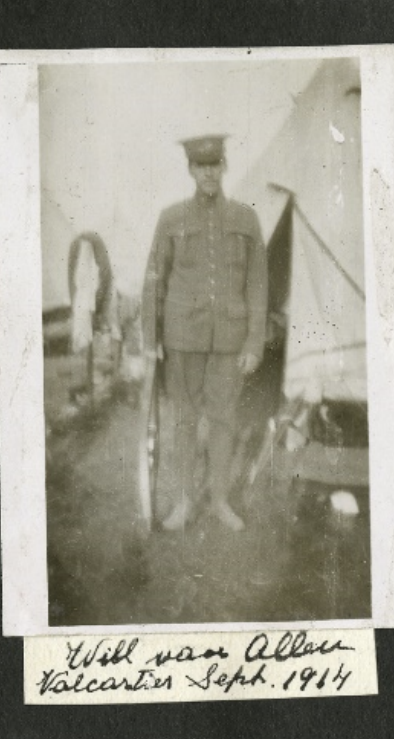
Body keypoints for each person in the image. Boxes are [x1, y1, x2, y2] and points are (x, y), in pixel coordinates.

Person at [142, 133, 269, 533]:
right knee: (183, 420)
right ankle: (183, 502)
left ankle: (218, 501)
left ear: (224, 166)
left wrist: (253, 341)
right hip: (183, 336)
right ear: (191, 170)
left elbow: (258, 284)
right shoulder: (171, 218)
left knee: (224, 419)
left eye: (215, 165)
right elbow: (153, 280)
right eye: (201, 166)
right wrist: (150, 339)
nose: (209, 172)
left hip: (230, 341)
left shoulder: (247, 219)